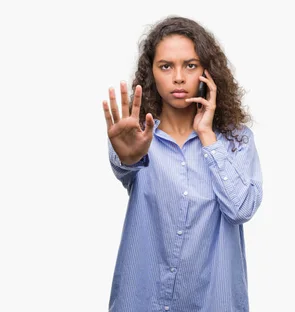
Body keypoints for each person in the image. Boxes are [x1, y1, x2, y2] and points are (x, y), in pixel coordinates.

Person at [101, 15, 263, 312]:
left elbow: (241, 209)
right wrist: (126, 156)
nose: (178, 77)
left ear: (206, 72)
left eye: (190, 65)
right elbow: (125, 162)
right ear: (151, 73)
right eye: (166, 66)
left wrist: (207, 137)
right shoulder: (137, 138)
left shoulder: (236, 141)